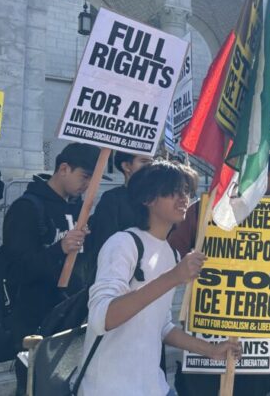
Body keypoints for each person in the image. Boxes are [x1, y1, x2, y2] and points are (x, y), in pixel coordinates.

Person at [78, 161, 240, 395]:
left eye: (186, 191)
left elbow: (162, 326)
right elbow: (101, 318)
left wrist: (211, 350)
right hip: (110, 387)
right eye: (173, 191)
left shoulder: (171, 254)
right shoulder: (122, 244)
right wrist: (173, 277)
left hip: (155, 386)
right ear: (147, 198)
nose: (183, 198)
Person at [2, 142, 99, 393]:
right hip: (34, 321)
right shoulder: (26, 208)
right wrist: (60, 248)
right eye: (85, 176)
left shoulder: (79, 209)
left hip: (69, 319)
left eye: (93, 179)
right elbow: (17, 270)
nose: (88, 184)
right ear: (64, 168)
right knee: (33, 388)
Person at [86, 151, 153, 281]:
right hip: (118, 277)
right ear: (126, 166)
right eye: (144, 162)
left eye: (152, 162)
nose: (150, 166)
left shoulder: (156, 199)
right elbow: (104, 243)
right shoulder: (112, 199)